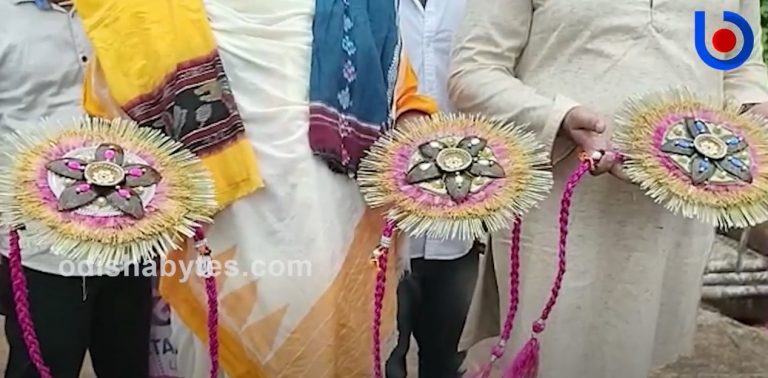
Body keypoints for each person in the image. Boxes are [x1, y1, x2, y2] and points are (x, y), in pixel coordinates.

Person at [72, 0, 438, 376]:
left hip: (333, 229)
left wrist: (429, 152)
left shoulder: (361, 5)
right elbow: (114, 124)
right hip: (217, 242)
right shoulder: (145, 9)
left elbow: (401, 99)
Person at [449, 1, 768, 377]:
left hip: (667, 219)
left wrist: (754, 107)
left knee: (633, 352)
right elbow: (473, 72)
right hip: (559, 216)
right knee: (547, 354)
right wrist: (560, 118)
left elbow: (737, 62)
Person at [0, 1, 152, 377]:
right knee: (41, 367)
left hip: (130, 233)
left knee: (129, 365)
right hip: (41, 249)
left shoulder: (127, 12)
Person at [385, 0, 479, 377]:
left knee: (448, 359)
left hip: (459, 216)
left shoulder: (478, 7)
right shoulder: (357, 8)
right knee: (383, 357)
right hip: (383, 220)